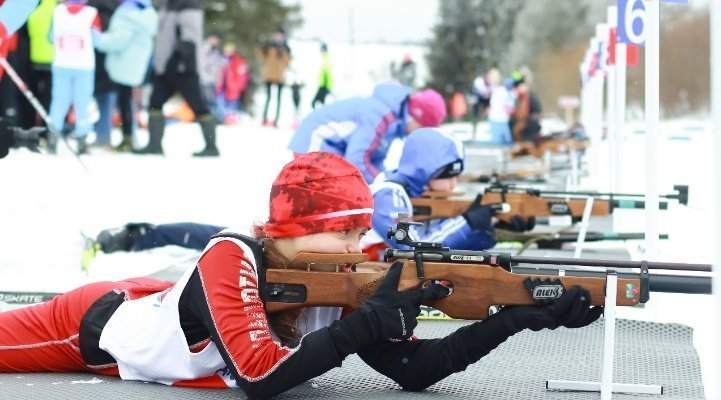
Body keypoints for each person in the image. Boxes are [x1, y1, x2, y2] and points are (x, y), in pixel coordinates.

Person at [0, 151, 602, 399]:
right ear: (291, 227)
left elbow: (415, 372)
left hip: (168, 307)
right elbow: (260, 377)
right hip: (88, 325)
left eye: (356, 232)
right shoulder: (232, 255)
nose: (354, 246)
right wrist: (364, 325)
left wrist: (514, 318)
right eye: (341, 232)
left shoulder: (336, 277)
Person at [361, 127, 498, 260]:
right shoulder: (387, 196)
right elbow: (414, 249)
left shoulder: (425, 194)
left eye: (457, 177)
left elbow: (452, 252)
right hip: (367, 276)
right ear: (426, 170)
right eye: (448, 176)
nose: (453, 184)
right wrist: (467, 222)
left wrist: (487, 229)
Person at [288, 82, 447, 184]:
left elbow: (374, 160)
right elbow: (358, 159)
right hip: (315, 140)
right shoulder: (380, 114)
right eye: (422, 129)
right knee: (336, 193)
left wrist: (392, 182)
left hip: (332, 146)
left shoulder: (393, 121)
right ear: (416, 117)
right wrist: (384, 185)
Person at [136, 0, 219, 157]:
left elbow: (190, 37)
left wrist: (175, 60)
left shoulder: (188, 5)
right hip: (164, 69)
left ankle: (211, 146)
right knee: (155, 103)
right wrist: (161, 64)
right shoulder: (166, 4)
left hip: (184, 69)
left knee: (199, 106)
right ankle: (154, 144)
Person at [94, 0, 157, 152]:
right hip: (133, 63)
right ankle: (129, 136)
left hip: (123, 62)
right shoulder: (146, 14)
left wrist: (98, 39)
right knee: (127, 100)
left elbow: (118, 40)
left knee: (124, 101)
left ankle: (128, 138)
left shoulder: (129, 14)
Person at [48, 0, 102, 155]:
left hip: (61, 62)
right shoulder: (91, 13)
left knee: (59, 100)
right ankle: (82, 139)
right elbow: (97, 40)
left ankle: (53, 136)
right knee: (82, 102)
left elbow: (51, 36)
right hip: (84, 65)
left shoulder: (57, 11)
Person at [257, 27, 290, 127]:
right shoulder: (269, 46)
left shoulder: (286, 49)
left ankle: (276, 120)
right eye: (277, 35)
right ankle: (264, 118)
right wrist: (260, 48)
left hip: (280, 77)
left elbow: (287, 63)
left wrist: (283, 53)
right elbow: (261, 57)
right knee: (268, 98)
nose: (278, 37)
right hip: (269, 76)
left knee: (278, 100)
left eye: (280, 35)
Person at [215, 42, 249, 125]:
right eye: (226, 49)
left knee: (232, 105)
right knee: (220, 103)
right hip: (221, 87)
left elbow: (242, 76)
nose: (227, 51)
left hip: (233, 89)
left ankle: (232, 120)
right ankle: (224, 118)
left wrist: (237, 87)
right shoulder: (221, 60)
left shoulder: (238, 61)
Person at [486, 68, 514, 146]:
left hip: (498, 120)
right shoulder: (500, 90)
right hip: (499, 120)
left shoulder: (500, 91)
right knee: (506, 144)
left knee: (499, 145)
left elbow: (509, 107)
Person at [310, 42, 332, 109]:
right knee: (321, 103)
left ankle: (320, 118)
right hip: (322, 86)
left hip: (324, 87)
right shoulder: (324, 59)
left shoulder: (326, 60)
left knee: (314, 103)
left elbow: (329, 75)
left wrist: (328, 87)